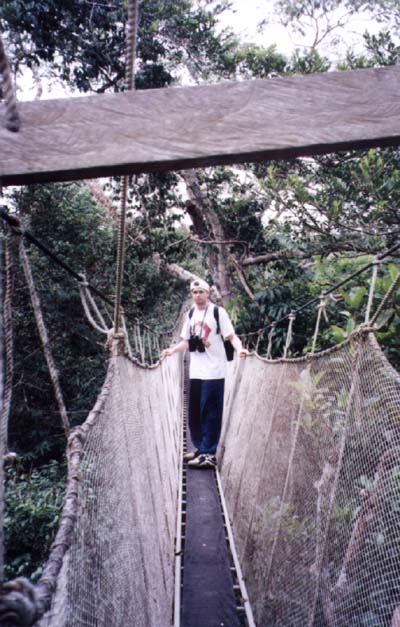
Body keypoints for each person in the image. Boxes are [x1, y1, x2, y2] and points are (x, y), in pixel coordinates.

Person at [161, 278, 249, 469]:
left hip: (214, 371)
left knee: (210, 412)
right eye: (194, 292)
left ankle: (209, 454)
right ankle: (201, 448)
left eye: (201, 292)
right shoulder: (191, 313)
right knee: (195, 413)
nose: (198, 295)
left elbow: (231, 336)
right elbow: (186, 341)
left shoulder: (218, 313)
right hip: (196, 371)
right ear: (191, 295)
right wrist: (172, 350)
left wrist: (240, 349)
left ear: (208, 293)